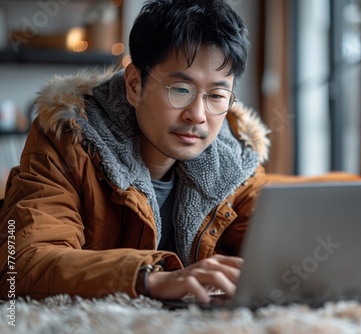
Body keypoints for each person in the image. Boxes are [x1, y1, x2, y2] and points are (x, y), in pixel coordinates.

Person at [0, 0, 272, 303]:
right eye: (180, 89)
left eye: (217, 95)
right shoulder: (67, 141)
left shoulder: (236, 161)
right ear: (134, 84)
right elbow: (21, 265)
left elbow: (283, 254)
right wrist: (147, 278)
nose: (197, 115)